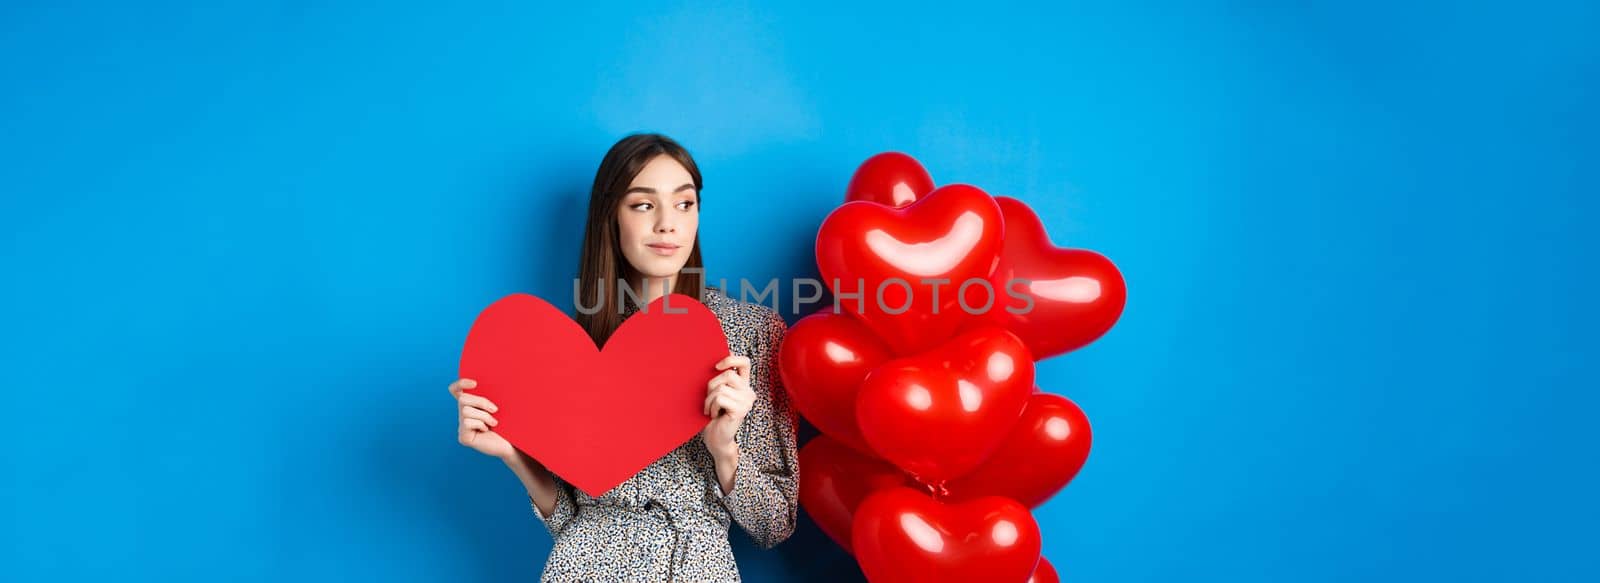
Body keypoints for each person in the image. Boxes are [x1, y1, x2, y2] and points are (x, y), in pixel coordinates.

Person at [447, 133, 800, 581]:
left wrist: (724, 450)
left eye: (684, 204)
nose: (667, 224)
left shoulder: (752, 333)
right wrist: (513, 454)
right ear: (611, 216)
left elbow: (776, 524)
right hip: (584, 566)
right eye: (644, 205)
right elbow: (570, 519)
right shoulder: (573, 347)